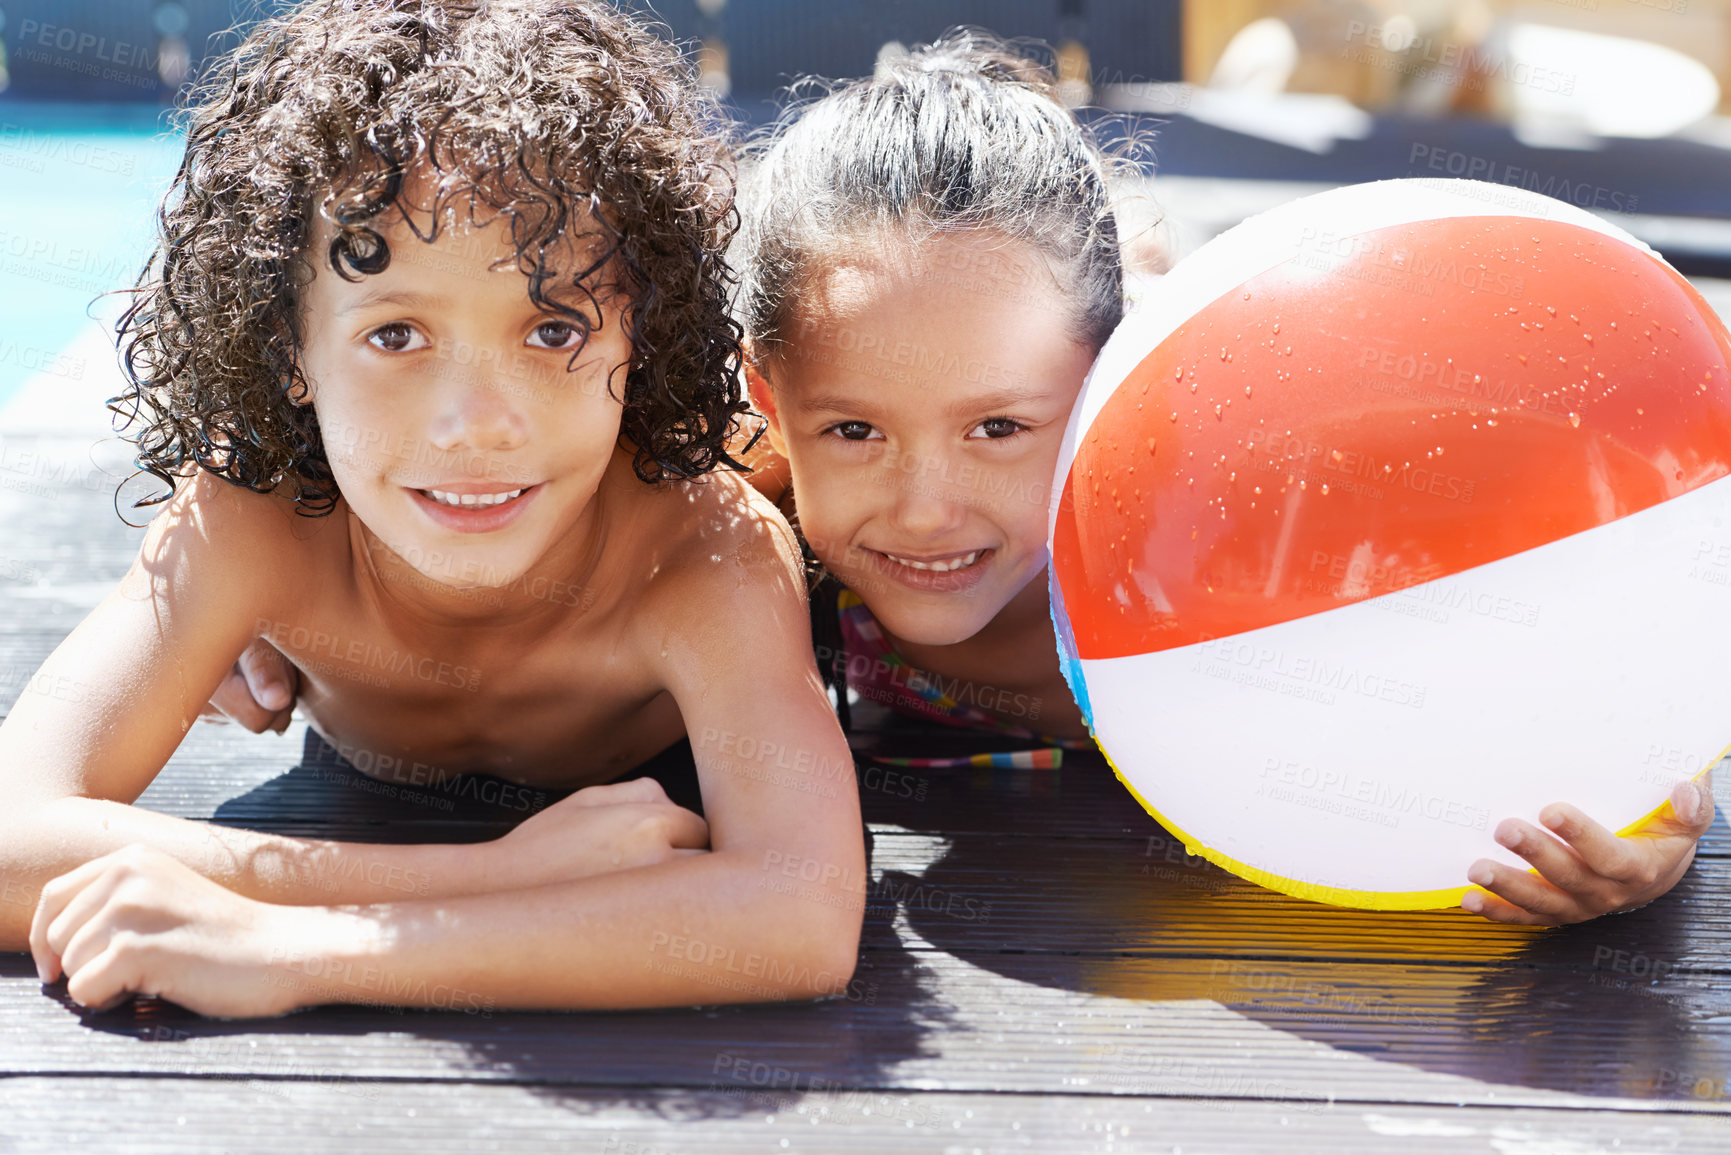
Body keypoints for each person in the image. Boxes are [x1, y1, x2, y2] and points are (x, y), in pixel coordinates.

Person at [213, 28, 1715, 929]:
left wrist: (1646, 834)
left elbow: (1583, 644)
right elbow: (485, 466)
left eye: (1003, 428)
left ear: (1113, 384)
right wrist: (321, 610)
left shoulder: (1255, 533)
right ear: (772, 405)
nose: (921, 507)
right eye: (854, 432)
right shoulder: (748, 480)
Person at [0, 0, 862, 1018]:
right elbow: (14, 833)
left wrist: (292, 948)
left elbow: (800, 917)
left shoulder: (702, 547)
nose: (475, 427)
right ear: (290, 353)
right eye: (397, 337)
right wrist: (506, 873)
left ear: (643, 330)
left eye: (552, 331)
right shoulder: (257, 513)